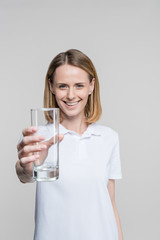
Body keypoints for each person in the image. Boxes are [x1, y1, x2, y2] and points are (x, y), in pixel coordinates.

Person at [16, 49, 123, 240]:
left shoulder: (109, 137)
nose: (71, 95)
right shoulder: (38, 136)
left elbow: (110, 203)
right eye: (63, 86)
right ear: (51, 87)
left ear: (91, 86)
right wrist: (28, 167)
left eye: (79, 85)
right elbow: (24, 175)